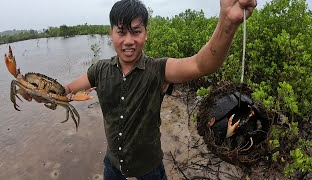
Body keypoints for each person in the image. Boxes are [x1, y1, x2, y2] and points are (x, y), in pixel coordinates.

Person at [23, 0, 257, 179]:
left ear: (145, 33)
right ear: (111, 33)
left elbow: (201, 64)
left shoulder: (158, 69)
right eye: (121, 31)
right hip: (112, 166)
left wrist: (227, 23)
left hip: (150, 169)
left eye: (136, 31)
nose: (128, 40)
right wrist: (36, 91)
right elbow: (65, 91)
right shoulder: (99, 70)